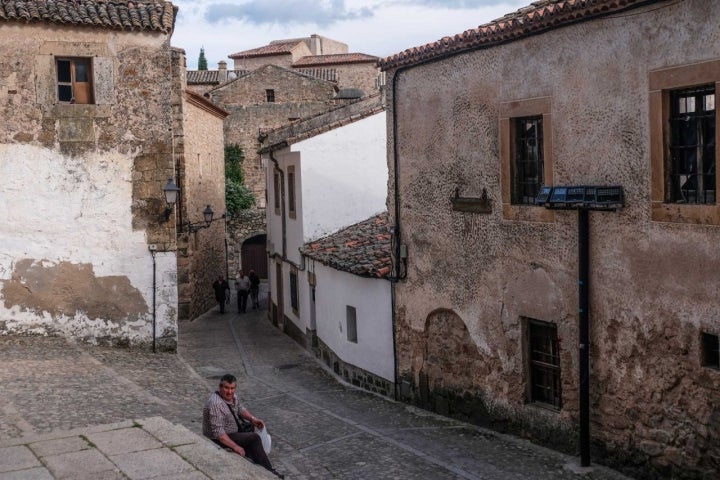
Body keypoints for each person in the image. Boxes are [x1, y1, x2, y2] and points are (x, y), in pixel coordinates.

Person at [203, 374, 284, 479]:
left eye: (232, 388)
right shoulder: (215, 404)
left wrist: (252, 419)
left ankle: (257, 460)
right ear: (220, 387)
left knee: (251, 429)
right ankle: (270, 472)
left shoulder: (233, 396)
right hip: (219, 438)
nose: (230, 392)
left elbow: (240, 408)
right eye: (226, 388)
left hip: (232, 431)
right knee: (254, 438)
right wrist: (236, 447)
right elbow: (218, 433)